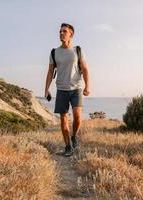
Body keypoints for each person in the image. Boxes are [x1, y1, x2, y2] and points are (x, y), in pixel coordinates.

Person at [45, 23, 90, 157]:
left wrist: (88, 86)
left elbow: (85, 69)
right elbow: (50, 71)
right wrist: (46, 89)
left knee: (77, 117)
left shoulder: (77, 50)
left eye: (64, 31)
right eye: (60, 31)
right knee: (64, 119)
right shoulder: (54, 52)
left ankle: (74, 136)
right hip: (61, 90)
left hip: (76, 88)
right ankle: (68, 146)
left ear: (71, 34)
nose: (61, 33)